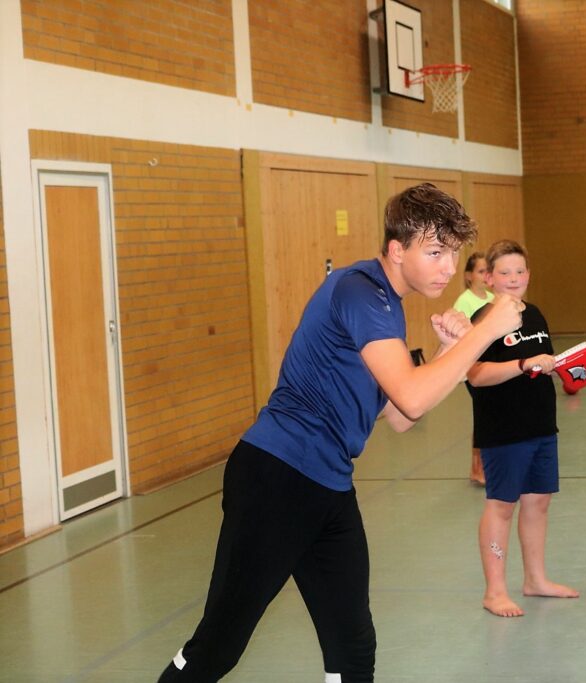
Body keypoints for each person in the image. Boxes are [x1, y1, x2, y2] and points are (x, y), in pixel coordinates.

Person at [157, 184, 526, 683]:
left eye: (453, 253)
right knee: (219, 644)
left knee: (352, 649)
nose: (446, 266)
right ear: (397, 250)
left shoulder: (388, 307)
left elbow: (401, 415)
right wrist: (485, 330)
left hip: (327, 485)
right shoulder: (360, 290)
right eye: (435, 252)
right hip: (278, 478)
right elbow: (413, 397)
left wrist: (445, 356)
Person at [467, 239, 586, 618]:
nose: (513, 278)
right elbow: (475, 375)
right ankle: (494, 591)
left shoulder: (535, 314)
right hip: (504, 431)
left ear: (529, 275)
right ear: (489, 278)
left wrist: (577, 369)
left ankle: (535, 580)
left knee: (538, 502)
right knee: (501, 506)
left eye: (520, 271)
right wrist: (524, 364)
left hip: (541, 426)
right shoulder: (484, 321)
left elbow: (546, 366)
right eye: (504, 272)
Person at [453, 252, 494, 485]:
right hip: (473, 367)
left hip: (491, 363)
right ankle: (476, 468)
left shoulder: (492, 297)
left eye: (488, 271)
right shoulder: (464, 302)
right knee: (483, 414)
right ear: (469, 276)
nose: (484, 276)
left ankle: (489, 463)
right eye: (480, 271)